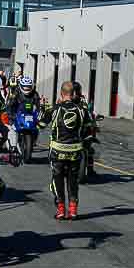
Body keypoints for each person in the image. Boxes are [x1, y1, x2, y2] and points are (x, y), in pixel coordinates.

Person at [38, 81, 93, 220]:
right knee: (72, 180)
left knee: (57, 179)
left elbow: (40, 125)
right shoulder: (82, 110)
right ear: (74, 94)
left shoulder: (54, 109)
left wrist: (42, 112)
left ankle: (61, 210)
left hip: (57, 152)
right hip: (75, 152)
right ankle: (73, 210)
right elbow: (89, 130)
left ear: (62, 94)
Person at [73, 80, 98, 177]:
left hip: (82, 129)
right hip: (69, 130)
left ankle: (90, 170)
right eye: (73, 91)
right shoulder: (65, 100)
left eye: (76, 91)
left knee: (90, 149)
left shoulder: (83, 102)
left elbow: (89, 113)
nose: (74, 94)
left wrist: (93, 124)